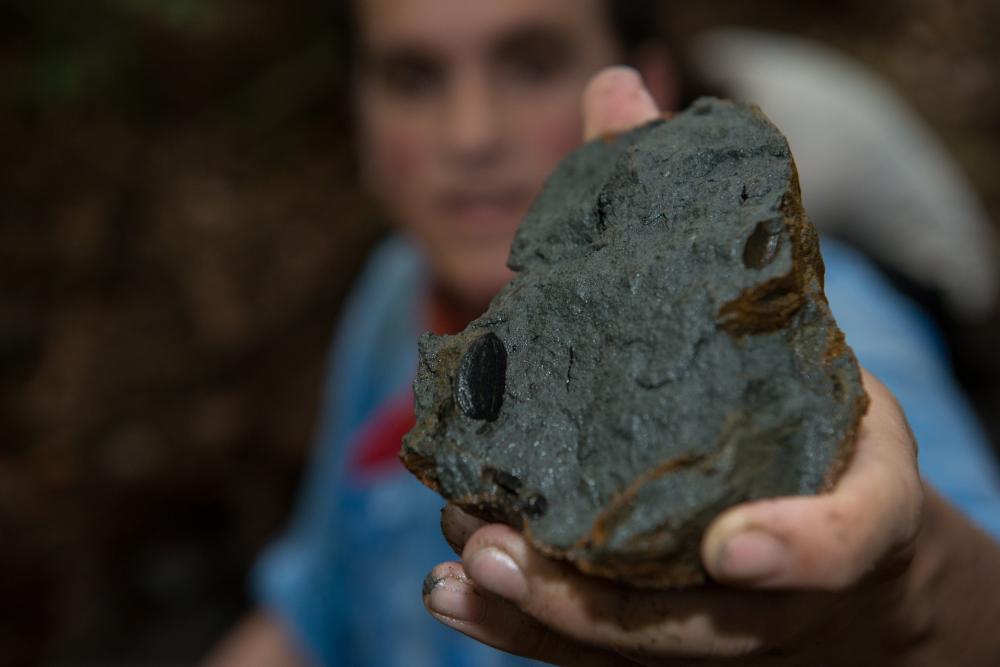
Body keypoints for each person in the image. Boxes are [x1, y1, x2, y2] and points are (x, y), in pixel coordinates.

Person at [207, 1, 1000, 665]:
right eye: (414, 76)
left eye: (532, 63)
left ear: (647, 81)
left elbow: (969, 596)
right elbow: (316, 603)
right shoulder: (392, 293)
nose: (469, 134)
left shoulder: (823, 328)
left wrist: (906, 591)